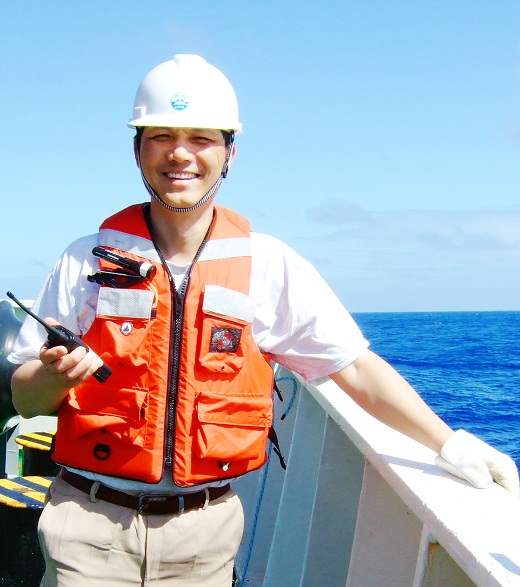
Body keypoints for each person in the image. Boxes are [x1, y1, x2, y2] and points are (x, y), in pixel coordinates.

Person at [8, 54, 518, 587]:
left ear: (229, 152)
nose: (180, 154)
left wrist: (449, 444)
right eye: (161, 136)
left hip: (203, 534)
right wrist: (53, 376)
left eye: (202, 138)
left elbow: (355, 369)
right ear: (137, 148)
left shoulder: (269, 265)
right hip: (88, 525)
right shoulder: (85, 260)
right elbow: (26, 399)